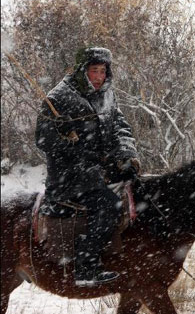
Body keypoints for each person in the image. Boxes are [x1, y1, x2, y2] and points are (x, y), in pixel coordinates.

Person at [35, 47, 140, 287]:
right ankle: (86, 266)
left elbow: (119, 127)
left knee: (140, 188)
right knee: (109, 206)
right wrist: (63, 137)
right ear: (83, 71)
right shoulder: (58, 98)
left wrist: (126, 155)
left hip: (99, 170)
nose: (99, 76)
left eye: (103, 71)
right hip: (69, 177)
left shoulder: (106, 95)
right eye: (94, 71)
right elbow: (42, 140)